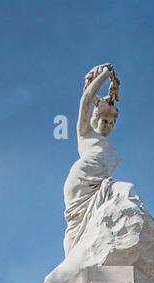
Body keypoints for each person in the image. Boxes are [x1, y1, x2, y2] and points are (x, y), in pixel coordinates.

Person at [62, 64, 121, 255]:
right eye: (105, 121)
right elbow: (86, 99)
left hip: (100, 184)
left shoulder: (109, 148)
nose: (108, 126)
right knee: (77, 222)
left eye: (111, 123)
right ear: (95, 119)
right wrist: (105, 76)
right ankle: (73, 259)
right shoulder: (85, 134)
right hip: (81, 180)